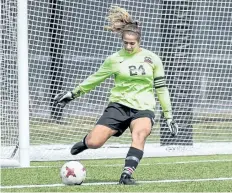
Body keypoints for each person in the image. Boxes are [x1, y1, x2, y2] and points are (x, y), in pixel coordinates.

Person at [54, 6, 178, 185]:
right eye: (125, 43)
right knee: (95, 142)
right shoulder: (114, 59)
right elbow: (95, 79)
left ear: (139, 41)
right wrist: (73, 94)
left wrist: (169, 116)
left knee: (140, 134)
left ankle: (126, 175)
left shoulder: (153, 59)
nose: (128, 46)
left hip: (144, 108)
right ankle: (85, 142)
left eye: (132, 43)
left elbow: (161, 88)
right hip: (119, 106)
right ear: (122, 40)